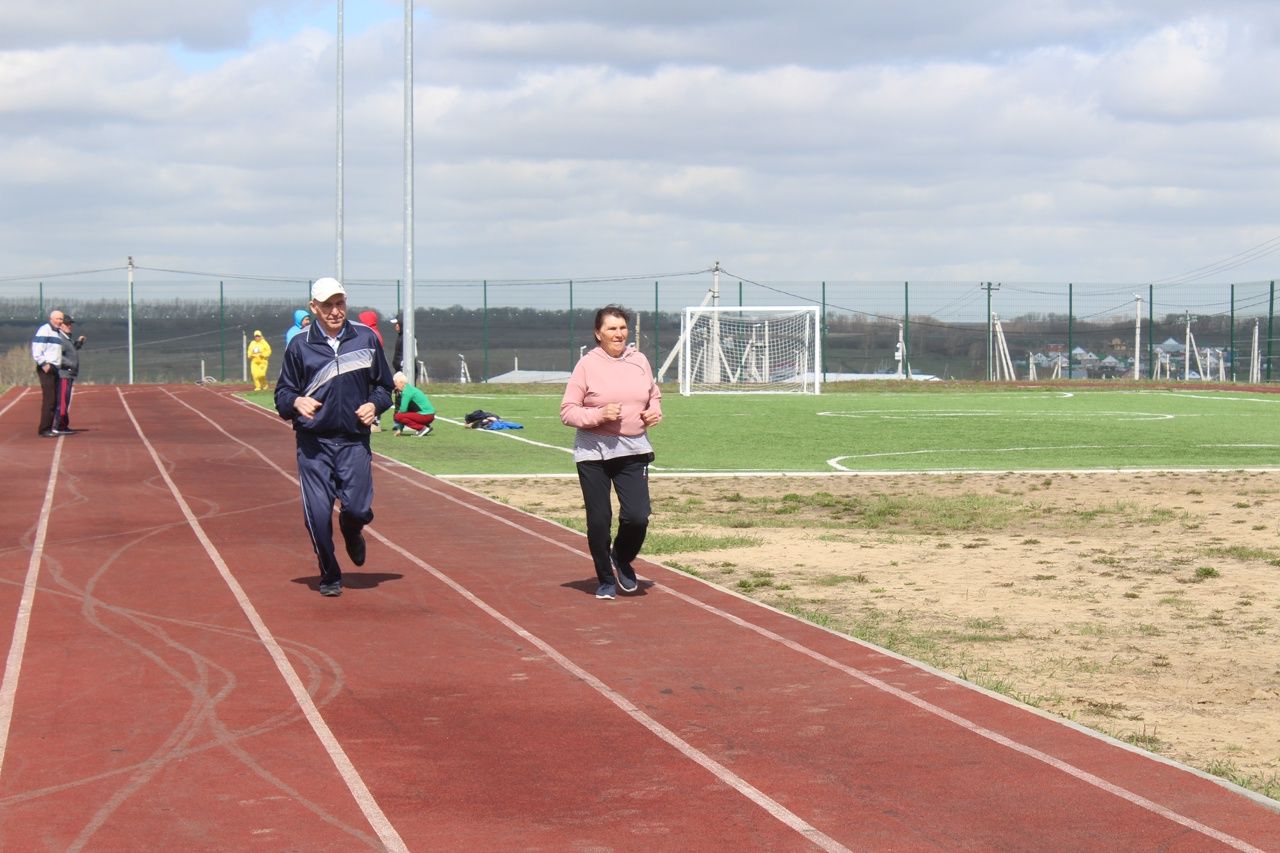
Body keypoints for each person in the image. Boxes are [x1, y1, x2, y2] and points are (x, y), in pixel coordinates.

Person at [275, 277, 394, 597]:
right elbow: (283, 393)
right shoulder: (299, 344)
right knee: (316, 514)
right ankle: (329, 573)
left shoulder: (366, 337)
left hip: (354, 441)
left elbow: (384, 387)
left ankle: (352, 531)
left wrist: (374, 404)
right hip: (314, 443)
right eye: (326, 305)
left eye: (339, 303)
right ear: (314, 308)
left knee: (355, 509)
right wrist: (296, 402)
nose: (334, 311)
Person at [560, 305, 662, 600]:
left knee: (637, 516)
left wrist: (653, 412)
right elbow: (567, 412)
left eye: (622, 328)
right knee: (599, 520)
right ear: (598, 333)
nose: (618, 334)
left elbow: (653, 395)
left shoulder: (639, 360)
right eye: (611, 329)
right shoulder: (587, 365)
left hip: (633, 449)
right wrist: (599, 415)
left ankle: (622, 557)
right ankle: (605, 578)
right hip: (594, 453)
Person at [31, 309, 67, 437]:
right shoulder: (44, 330)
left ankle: (49, 427)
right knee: (50, 400)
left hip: (55, 368)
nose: (59, 321)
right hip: (47, 368)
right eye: (57, 319)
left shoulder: (57, 333)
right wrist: (43, 364)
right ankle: (44, 429)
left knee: (54, 399)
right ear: (51, 319)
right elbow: (36, 349)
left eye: (61, 319)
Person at [53, 314, 86, 433]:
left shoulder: (67, 337)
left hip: (69, 374)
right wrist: (70, 365)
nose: (70, 326)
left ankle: (62, 424)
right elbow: (58, 356)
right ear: (61, 325)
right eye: (67, 324)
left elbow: (71, 350)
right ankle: (59, 425)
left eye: (70, 324)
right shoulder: (60, 338)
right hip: (64, 374)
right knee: (62, 401)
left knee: (65, 400)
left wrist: (79, 343)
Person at [390, 372, 436, 436]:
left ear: (401, 383)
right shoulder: (410, 389)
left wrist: (400, 428)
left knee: (397, 416)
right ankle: (426, 427)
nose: (395, 386)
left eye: (395, 383)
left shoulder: (406, 392)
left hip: (426, 415)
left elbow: (403, 410)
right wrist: (400, 429)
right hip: (429, 415)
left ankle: (422, 428)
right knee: (404, 414)